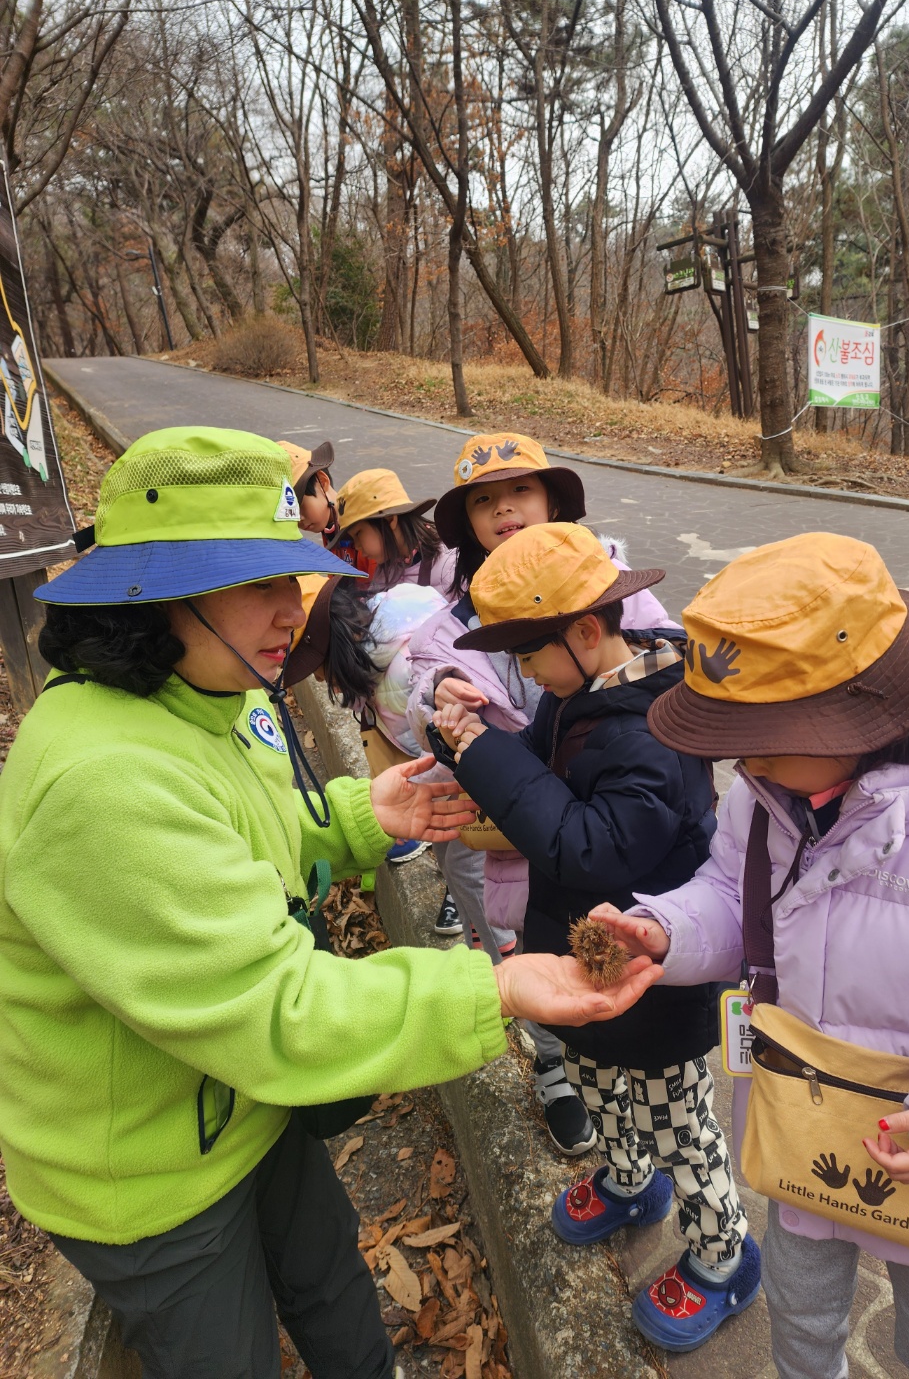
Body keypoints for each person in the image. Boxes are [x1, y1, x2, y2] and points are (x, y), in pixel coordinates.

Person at [0, 426, 663, 1379]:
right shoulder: (101, 780)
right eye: (259, 582)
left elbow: (239, 836)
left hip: (241, 1098)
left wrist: (357, 814)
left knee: (332, 1291)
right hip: (148, 1168)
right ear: (158, 594)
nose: (291, 608)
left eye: (293, 575)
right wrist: (497, 990)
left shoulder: (203, 693)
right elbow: (275, 1008)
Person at [592, 531, 909, 1378]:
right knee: (801, 1322)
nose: (740, 758)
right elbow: (733, 896)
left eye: (760, 733)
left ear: (862, 712)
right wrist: (665, 930)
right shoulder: (769, 798)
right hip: (800, 1124)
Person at [436, 522, 756, 1353]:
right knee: (597, 1082)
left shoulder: (653, 729)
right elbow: (542, 774)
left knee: (680, 1123)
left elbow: (586, 842)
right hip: (581, 962)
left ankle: (724, 1256)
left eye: (530, 655)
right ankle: (626, 1178)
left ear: (584, 634)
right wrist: (483, 736)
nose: (526, 674)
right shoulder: (578, 692)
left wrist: (480, 753)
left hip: (655, 980)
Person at [407, 432, 676, 1151]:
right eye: (484, 503)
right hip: (508, 841)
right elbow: (423, 698)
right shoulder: (456, 624)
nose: (505, 512)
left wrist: (485, 749)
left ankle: (628, 1129)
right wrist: (438, 699)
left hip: (610, 847)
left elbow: (652, 665)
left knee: (625, 1000)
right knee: (532, 961)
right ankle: (560, 1071)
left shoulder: (608, 589)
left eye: (519, 493)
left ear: (554, 501)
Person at [286, 573, 444, 875]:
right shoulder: (372, 644)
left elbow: (441, 747)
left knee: (463, 864)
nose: (319, 679)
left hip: (452, 787)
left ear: (334, 646)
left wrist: (417, 793)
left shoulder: (402, 670)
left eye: (316, 668)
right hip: (424, 774)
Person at [330, 467, 457, 599]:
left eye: (358, 534)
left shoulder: (449, 567)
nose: (356, 546)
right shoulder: (385, 568)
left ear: (390, 520)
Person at [277, 438, 340, 546]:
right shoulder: (329, 526)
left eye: (299, 506)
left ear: (323, 482)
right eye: (290, 512)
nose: (298, 518)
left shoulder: (362, 524)